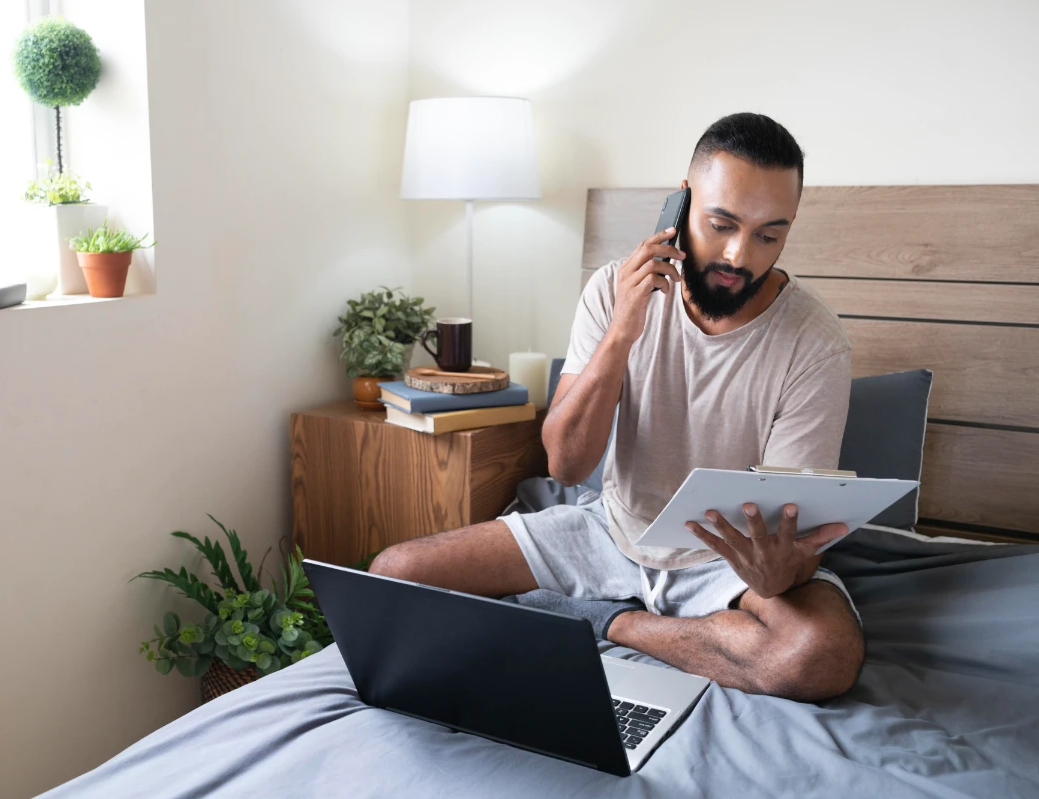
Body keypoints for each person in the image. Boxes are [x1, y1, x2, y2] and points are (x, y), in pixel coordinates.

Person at [370, 113, 863, 702]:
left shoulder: (816, 342)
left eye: (768, 235)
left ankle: (611, 621)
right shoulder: (611, 290)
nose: (738, 255)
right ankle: (664, 625)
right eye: (721, 223)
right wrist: (622, 333)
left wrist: (775, 573)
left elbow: (790, 549)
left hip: (727, 561)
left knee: (819, 659)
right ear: (681, 205)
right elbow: (566, 467)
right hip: (611, 530)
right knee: (393, 576)